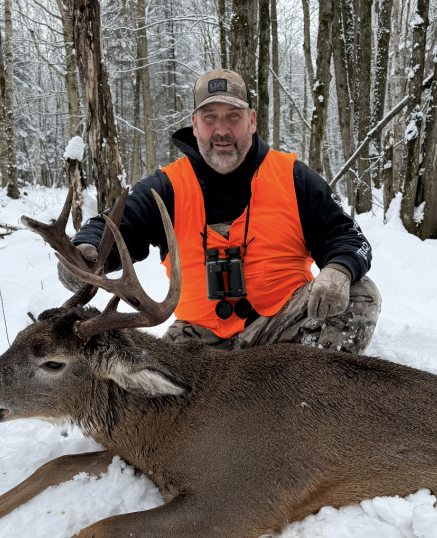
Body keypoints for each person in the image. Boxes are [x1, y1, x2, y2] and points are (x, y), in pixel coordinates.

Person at [60, 69, 381, 355]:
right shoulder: (168, 187)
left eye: (233, 116)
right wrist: (86, 250)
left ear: (252, 121)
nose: (222, 129)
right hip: (199, 341)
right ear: (195, 124)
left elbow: (345, 236)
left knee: (359, 294)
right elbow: (119, 222)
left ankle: (311, 406)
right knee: (141, 392)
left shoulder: (292, 178)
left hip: (284, 333)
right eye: (210, 117)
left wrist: (337, 271)